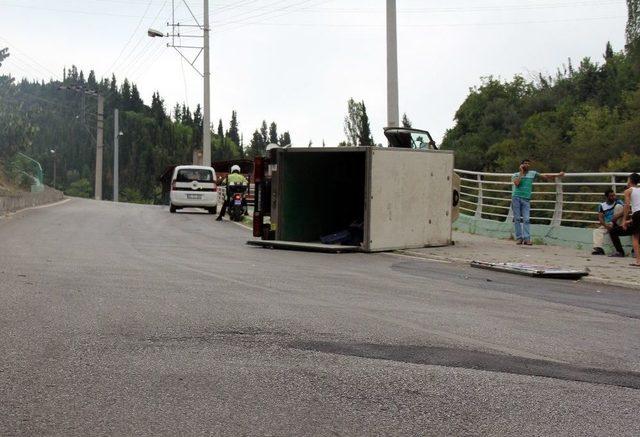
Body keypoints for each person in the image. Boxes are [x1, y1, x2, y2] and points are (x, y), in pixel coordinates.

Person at [511, 159, 565, 245]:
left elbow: (545, 176)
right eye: (525, 164)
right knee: (517, 219)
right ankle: (519, 238)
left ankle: (527, 239)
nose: (527, 165)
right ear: (521, 165)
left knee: (526, 219)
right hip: (516, 198)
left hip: (526, 199)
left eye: (528, 164)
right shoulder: (515, 175)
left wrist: (558, 175)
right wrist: (521, 172)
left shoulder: (532, 173)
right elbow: (517, 183)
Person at [591, 189, 624, 256]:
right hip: (608, 224)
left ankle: (613, 224)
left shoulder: (619, 202)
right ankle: (599, 249)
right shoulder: (602, 205)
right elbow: (600, 218)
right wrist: (606, 226)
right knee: (597, 231)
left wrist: (614, 219)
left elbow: (625, 211)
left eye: (614, 195)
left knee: (618, 206)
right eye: (611, 196)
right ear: (606, 197)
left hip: (618, 223)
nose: (613, 197)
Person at [621, 173, 640, 267]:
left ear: (630, 180)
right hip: (637, 214)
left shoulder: (628, 191)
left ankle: (638, 261)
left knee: (635, 238)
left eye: (628, 179)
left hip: (637, 214)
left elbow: (627, 205)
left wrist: (624, 220)